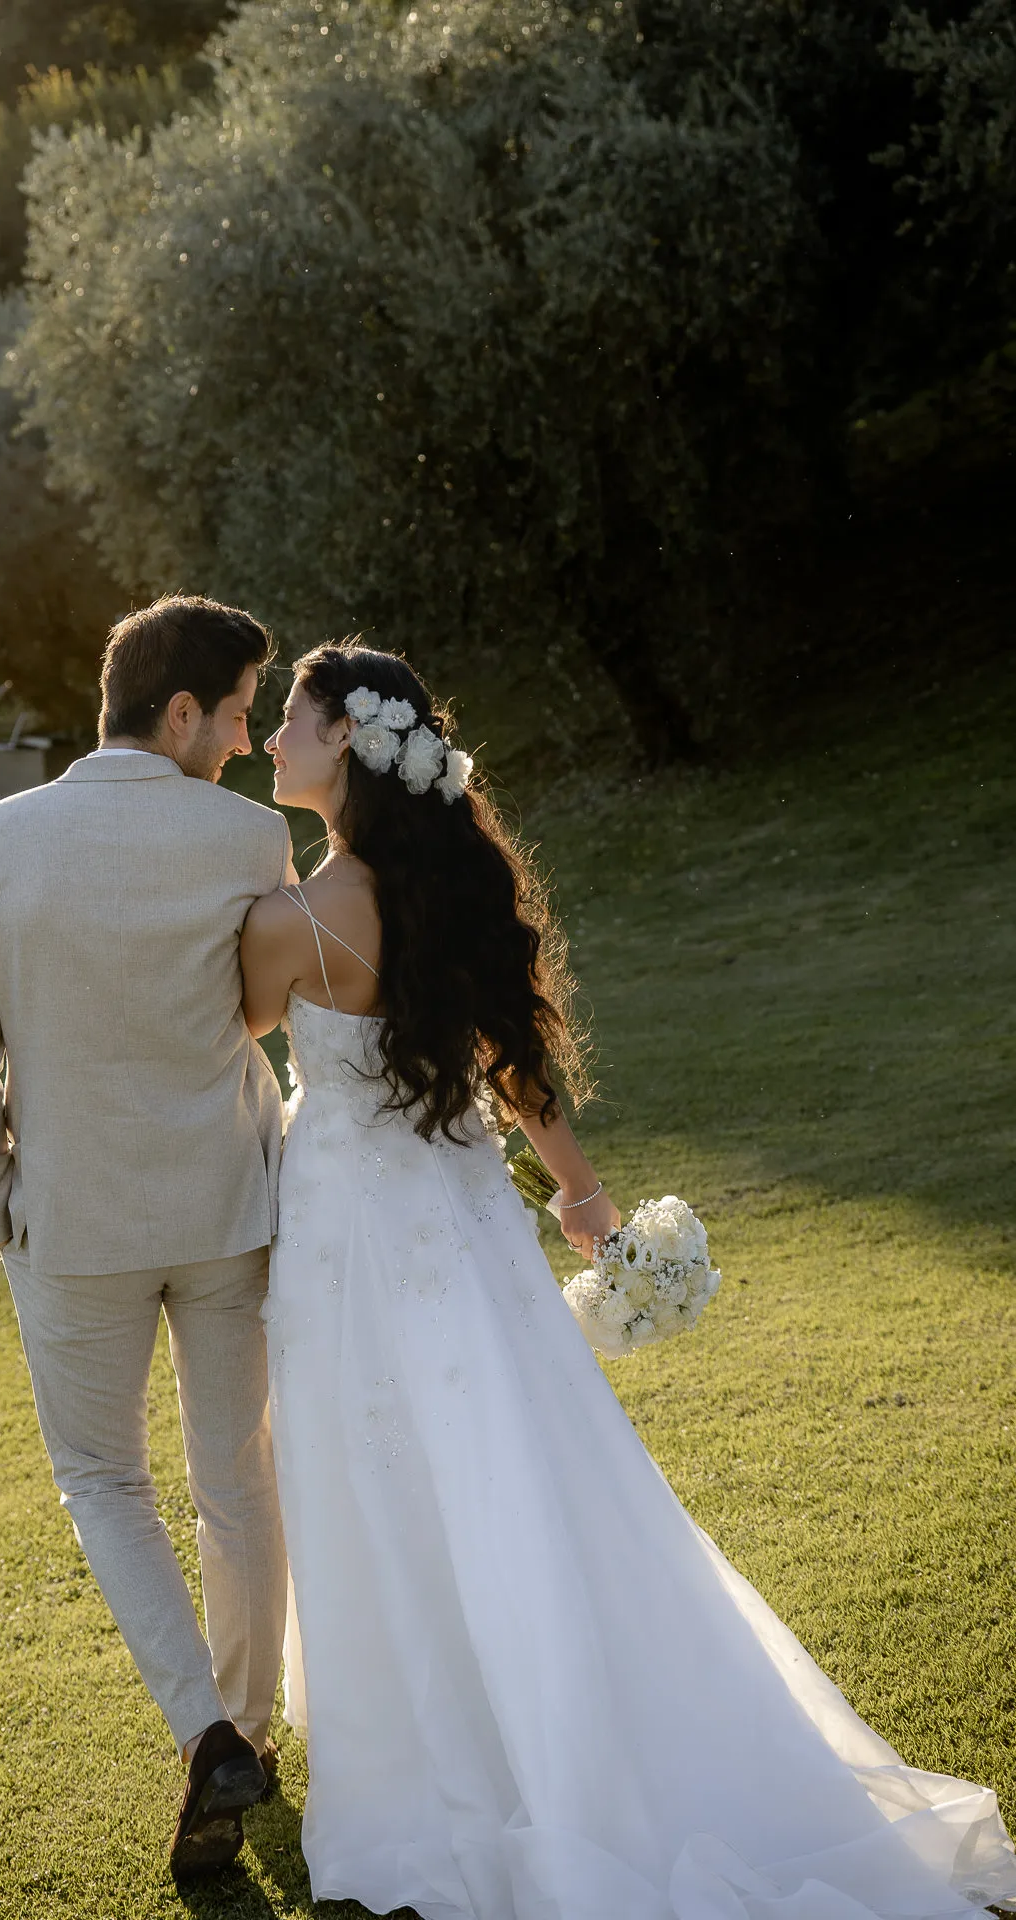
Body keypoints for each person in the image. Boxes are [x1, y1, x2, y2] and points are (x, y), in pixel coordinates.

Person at [239, 640, 1016, 1920]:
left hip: (347, 1241)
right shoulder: (451, 896)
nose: (271, 743)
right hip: (467, 1224)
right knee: (532, 1462)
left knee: (373, 1479)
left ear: (349, 749)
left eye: (292, 724)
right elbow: (520, 1072)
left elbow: (242, 1033)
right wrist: (588, 1209)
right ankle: (576, 1720)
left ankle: (446, 1769)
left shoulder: (287, 922)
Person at [0, 595, 293, 1880]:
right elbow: (262, 1013)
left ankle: (207, 1736)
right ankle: (245, 1729)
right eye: (240, 713)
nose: (250, 742)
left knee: (102, 1481)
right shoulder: (252, 839)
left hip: (70, 1222)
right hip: (227, 1209)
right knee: (237, 1480)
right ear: (179, 711)